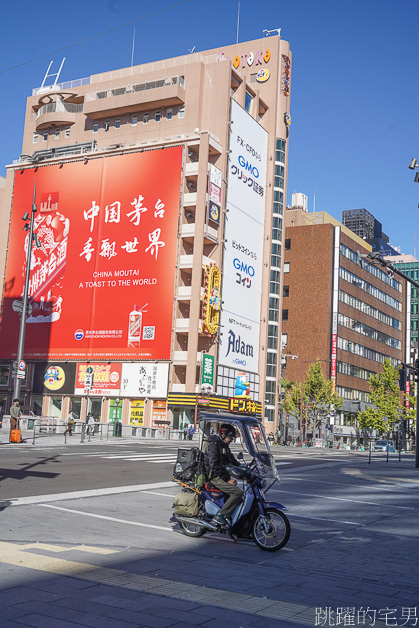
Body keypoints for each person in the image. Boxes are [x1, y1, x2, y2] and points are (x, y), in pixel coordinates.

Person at [204, 423, 243, 526]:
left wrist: (242, 467)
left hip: (220, 475)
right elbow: (214, 465)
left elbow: (231, 460)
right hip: (214, 477)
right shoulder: (214, 445)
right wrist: (227, 479)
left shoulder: (223, 445)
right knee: (237, 493)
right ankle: (220, 516)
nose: (231, 440)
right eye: (230, 437)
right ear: (223, 435)